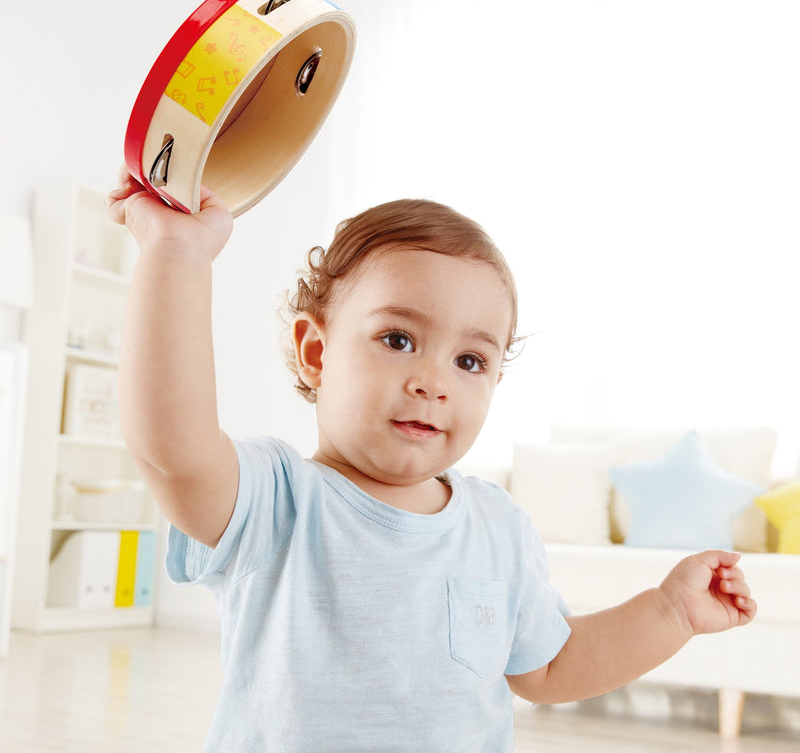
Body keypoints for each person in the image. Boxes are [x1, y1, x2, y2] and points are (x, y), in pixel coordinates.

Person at [107, 170, 756, 752]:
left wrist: (669, 613)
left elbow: (551, 668)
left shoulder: (498, 529)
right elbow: (174, 449)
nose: (433, 380)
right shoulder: (277, 500)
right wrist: (176, 252)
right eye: (398, 339)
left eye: (470, 360)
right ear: (316, 351)